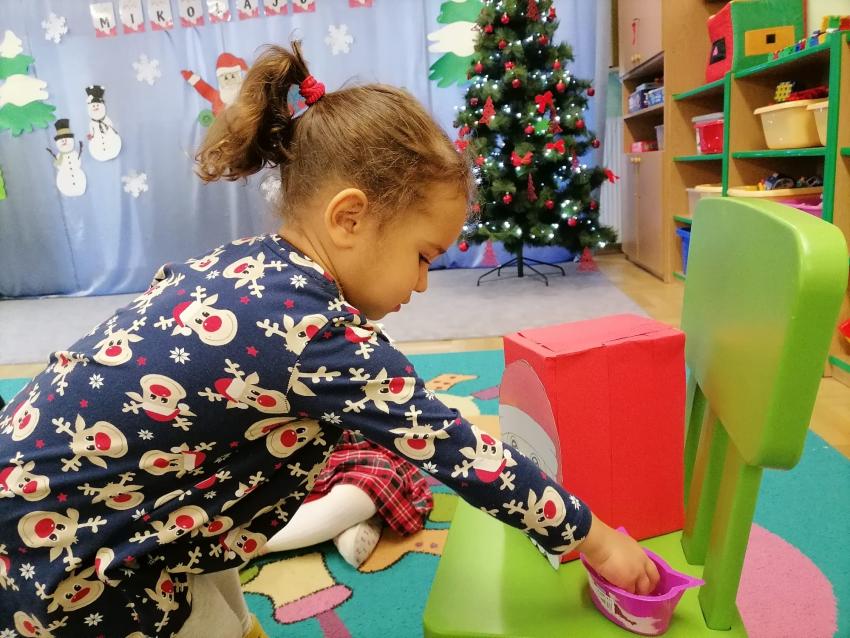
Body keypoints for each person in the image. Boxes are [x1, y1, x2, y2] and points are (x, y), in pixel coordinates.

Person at [0, 42, 659, 638]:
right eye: (423, 257)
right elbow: (460, 452)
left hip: (54, 500)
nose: (423, 284)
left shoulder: (250, 263)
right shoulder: (314, 332)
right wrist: (597, 540)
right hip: (63, 563)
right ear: (348, 218)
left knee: (211, 563)